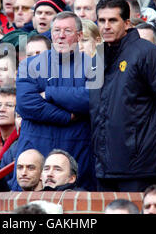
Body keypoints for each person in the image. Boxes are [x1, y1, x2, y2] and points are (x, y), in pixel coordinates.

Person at [90, 0, 156, 192]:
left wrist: (149, 135)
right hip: (104, 166)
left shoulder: (148, 53)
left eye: (112, 20)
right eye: (101, 21)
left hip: (140, 167)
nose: (106, 26)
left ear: (127, 23)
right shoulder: (98, 57)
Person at [12, 11, 96, 191]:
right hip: (35, 146)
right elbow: (27, 104)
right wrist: (68, 116)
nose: (61, 36)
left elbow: (90, 99)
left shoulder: (93, 65)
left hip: (77, 148)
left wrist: (49, 93)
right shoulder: (30, 64)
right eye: (56, 30)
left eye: (68, 30)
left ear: (80, 35)